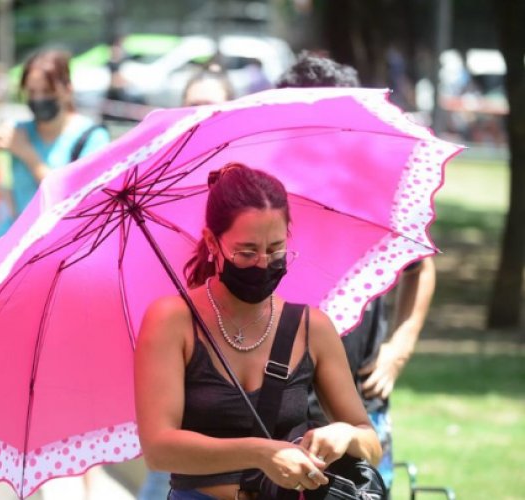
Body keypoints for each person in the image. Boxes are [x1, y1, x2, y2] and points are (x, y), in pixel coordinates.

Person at [135, 163, 381, 500]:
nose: (264, 264)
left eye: (275, 249)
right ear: (211, 241)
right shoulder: (173, 321)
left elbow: (370, 443)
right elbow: (159, 448)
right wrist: (261, 453)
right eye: (247, 252)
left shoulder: (312, 328)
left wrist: (344, 435)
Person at [275, 51, 437, 491]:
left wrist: (398, 349)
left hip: (362, 406)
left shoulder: (376, 192)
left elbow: (421, 267)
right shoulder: (266, 200)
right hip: (281, 411)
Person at [136, 65, 236, 500]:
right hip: (183, 361)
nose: (200, 116)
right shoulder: (156, 187)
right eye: (192, 107)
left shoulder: (251, 187)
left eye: (211, 107)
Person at [0, 49, 110, 236]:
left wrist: (27, 154)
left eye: (47, 91)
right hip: (17, 242)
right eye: (32, 92)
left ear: (68, 90)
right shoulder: (17, 131)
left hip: (63, 244)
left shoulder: (91, 137)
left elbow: (73, 199)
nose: (38, 99)